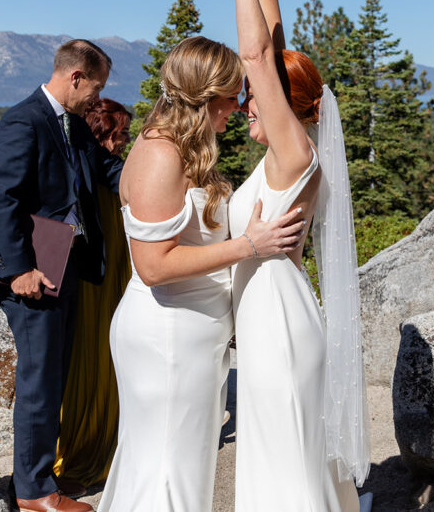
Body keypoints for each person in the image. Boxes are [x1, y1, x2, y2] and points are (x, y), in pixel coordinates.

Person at [98, 33, 306, 512]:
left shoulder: (184, 149)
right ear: (206, 98)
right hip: (165, 338)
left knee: (179, 469)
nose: (239, 106)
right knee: (165, 473)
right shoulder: (160, 155)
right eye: (233, 96)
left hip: (191, 336)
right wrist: (249, 245)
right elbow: (153, 266)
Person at [227, 0, 370, 511]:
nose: (246, 105)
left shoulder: (294, 153)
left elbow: (260, 59)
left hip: (279, 326)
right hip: (269, 319)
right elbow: (273, 52)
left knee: (284, 469)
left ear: (289, 107)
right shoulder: (290, 147)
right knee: (282, 461)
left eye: (252, 99)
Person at [0, 39, 122, 512]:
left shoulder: (75, 125)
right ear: (75, 76)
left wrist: (168, 170)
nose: (97, 98)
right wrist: (17, 270)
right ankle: (35, 493)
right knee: (39, 381)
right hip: (33, 271)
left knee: (53, 378)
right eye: (95, 87)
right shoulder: (24, 120)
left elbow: (109, 171)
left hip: (67, 266)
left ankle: (41, 478)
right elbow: (2, 198)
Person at [54, 98, 133, 490]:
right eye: (120, 134)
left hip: (116, 277)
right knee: (89, 357)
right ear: (102, 133)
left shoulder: (113, 173)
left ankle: (106, 437)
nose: (124, 142)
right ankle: (83, 446)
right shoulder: (92, 176)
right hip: (92, 284)